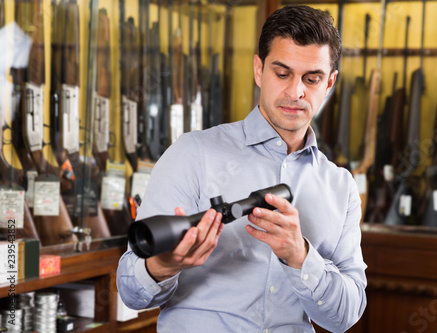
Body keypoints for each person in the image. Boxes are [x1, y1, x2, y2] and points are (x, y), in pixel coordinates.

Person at [117, 4, 367, 332]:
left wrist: (301, 256)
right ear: (258, 70)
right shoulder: (193, 154)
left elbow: (346, 316)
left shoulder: (341, 187)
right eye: (282, 73)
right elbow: (130, 291)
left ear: (330, 82)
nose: (295, 92)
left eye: (312, 78)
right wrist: (163, 265)